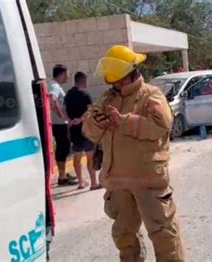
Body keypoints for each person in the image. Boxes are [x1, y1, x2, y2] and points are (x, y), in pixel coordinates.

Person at [82, 45, 186, 261]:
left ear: (132, 74)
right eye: (114, 84)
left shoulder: (151, 95)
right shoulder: (106, 99)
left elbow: (161, 126)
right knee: (123, 236)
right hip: (118, 183)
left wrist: (124, 122)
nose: (117, 87)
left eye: (120, 82)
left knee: (164, 235)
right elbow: (88, 131)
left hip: (148, 180)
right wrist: (97, 123)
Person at [64, 72, 102, 190]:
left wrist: (70, 120)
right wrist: (80, 119)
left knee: (77, 157)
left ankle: (80, 182)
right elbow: (90, 110)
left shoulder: (68, 94)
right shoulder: (86, 95)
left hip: (73, 131)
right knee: (90, 157)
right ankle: (94, 183)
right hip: (86, 130)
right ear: (83, 81)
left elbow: (64, 109)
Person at [48, 64, 77, 186]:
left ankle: (63, 172)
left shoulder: (54, 85)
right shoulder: (54, 86)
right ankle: (62, 177)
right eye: (67, 74)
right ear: (62, 74)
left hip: (59, 123)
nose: (68, 77)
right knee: (63, 148)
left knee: (64, 148)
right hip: (59, 124)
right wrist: (62, 117)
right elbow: (52, 99)